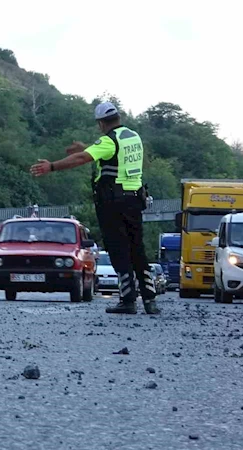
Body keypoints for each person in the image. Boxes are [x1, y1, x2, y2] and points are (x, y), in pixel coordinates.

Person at [29, 102, 160, 315]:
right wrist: (88, 149)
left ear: (101, 123)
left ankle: (127, 300)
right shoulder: (133, 137)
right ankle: (150, 299)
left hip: (113, 202)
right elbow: (112, 156)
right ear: (118, 118)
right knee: (137, 249)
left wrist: (51, 166)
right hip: (135, 199)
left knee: (119, 250)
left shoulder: (108, 140)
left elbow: (84, 158)